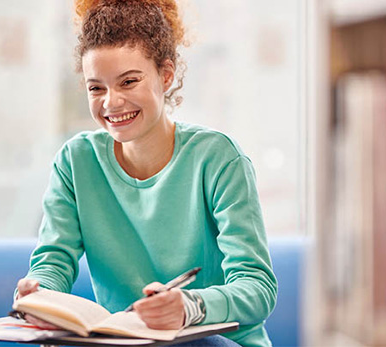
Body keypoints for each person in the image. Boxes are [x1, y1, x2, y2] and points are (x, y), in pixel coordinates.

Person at [15, 0, 277, 346]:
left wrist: (190, 307)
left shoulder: (217, 158)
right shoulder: (75, 162)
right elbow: (53, 261)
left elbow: (258, 288)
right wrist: (39, 292)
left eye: (129, 82)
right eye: (97, 88)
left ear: (165, 76)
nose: (111, 102)